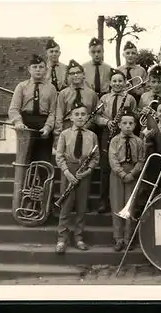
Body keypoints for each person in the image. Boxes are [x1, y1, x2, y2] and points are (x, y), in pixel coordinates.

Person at [55, 101, 100, 254]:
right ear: (71, 117)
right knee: (66, 206)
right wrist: (67, 173)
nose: (80, 117)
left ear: (87, 117)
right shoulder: (64, 134)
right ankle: (62, 239)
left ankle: (79, 237)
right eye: (77, 114)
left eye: (83, 114)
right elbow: (59, 156)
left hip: (84, 172)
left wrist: (88, 171)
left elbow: (96, 157)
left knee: (81, 206)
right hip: (69, 170)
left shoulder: (92, 136)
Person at [95, 68, 138, 214]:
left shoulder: (130, 99)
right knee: (105, 168)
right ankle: (103, 201)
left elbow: (134, 116)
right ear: (110, 83)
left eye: (120, 81)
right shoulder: (104, 98)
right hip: (108, 132)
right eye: (114, 81)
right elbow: (96, 117)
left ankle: (121, 201)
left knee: (122, 164)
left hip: (123, 133)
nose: (117, 83)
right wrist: (106, 122)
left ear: (125, 83)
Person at [108, 107, 145, 251]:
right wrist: (122, 173)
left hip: (132, 174)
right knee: (117, 206)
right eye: (125, 123)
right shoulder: (115, 141)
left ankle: (128, 238)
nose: (128, 126)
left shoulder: (139, 141)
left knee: (130, 206)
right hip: (117, 174)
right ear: (119, 125)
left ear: (135, 125)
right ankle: (118, 239)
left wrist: (133, 173)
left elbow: (141, 160)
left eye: (131, 123)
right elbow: (112, 158)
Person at [8, 54, 57, 163]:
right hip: (26, 124)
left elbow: (53, 112)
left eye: (41, 67)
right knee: (25, 160)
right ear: (29, 69)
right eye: (35, 67)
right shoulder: (21, 86)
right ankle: (25, 180)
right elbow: (13, 109)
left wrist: (48, 127)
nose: (38, 70)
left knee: (43, 161)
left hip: (43, 125)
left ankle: (44, 179)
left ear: (46, 69)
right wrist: (18, 122)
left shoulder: (51, 88)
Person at [54, 59, 99, 146]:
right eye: (72, 73)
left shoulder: (91, 93)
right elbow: (59, 115)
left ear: (83, 74)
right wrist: (57, 136)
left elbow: (97, 114)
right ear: (68, 76)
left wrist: (89, 123)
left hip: (87, 128)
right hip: (68, 128)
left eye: (78, 72)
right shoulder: (63, 94)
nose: (75, 75)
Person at [117, 41, 147, 105]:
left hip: (137, 100)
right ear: (123, 55)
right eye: (127, 53)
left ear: (136, 55)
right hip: (120, 101)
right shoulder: (118, 70)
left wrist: (136, 91)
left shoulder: (141, 70)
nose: (130, 55)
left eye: (133, 53)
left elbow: (146, 89)